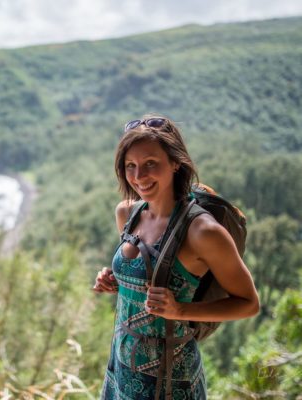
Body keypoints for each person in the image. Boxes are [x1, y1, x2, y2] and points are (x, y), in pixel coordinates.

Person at [93, 115, 259, 399]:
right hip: (121, 368)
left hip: (170, 380)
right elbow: (148, 279)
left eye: (150, 164)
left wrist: (180, 311)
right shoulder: (127, 214)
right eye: (130, 166)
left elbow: (249, 304)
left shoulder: (203, 231)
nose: (139, 176)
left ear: (175, 162)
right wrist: (115, 280)